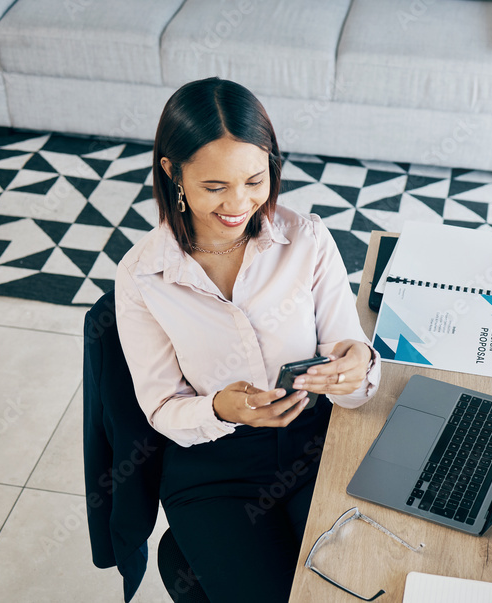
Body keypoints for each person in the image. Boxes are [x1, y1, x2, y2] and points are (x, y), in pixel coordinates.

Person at [114, 77, 381, 602]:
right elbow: (162, 406)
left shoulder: (307, 240)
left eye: (255, 180)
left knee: (354, 589)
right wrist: (220, 408)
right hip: (216, 463)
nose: (240, 204)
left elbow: (354, 371)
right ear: (173, 173)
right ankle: (198, 551)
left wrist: (357, 369)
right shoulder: (142, 276)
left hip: (316, 444)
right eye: (215, 187)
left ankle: (190, 559)